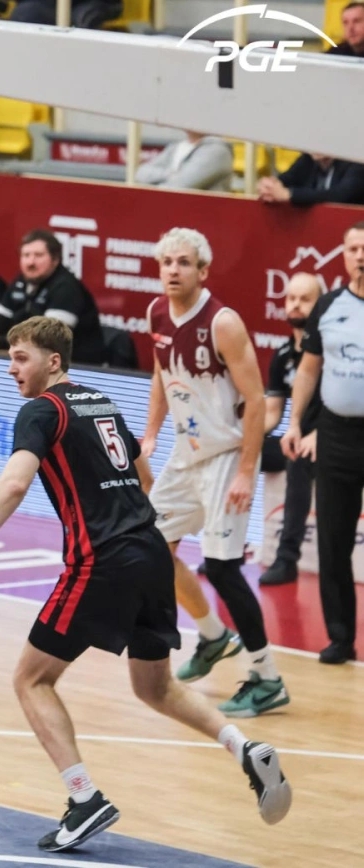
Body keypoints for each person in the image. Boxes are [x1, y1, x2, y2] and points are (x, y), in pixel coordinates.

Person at [0, 316, 292, 852]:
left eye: (21, 357)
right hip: (151, 552)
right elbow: (145, 478)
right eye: (9, 357)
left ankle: (84, 798)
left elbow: (15, 483)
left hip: (100, 560)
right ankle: (244, 748)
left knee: (31, 680)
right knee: (154, 688)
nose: (10, 368)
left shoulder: (40, 410)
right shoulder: (101, 402)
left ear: (53, 361)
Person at [140, 228, 286, 717]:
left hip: (227, 455)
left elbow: (257, 401)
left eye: (183, 262)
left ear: (203, 271)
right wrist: (151, 434)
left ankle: (267, 677)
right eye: (167, 262)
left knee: (221, 567)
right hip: (187, 453)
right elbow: (162, 375)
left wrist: (246, 471)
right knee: (151, 547)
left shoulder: (223, 323)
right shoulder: (156, 313)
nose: (173, 270)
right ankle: (212, 635)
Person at [282, 221, 364, 664]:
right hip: (337, 434)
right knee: (333, 540)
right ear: (344, 255)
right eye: (353, 248)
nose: (360, 256)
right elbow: (309, 369)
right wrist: (295, 422)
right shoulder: (329, 306)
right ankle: (340, 637)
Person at [258, 272, 322, 586]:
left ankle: (287, 558)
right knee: (240, 450)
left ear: (320, 306)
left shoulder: (331, 352)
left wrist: (318, 434)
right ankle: (226, 548)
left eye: (304, 299)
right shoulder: (282, 355)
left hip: (335, 439)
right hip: (297, 437)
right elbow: (273, 413)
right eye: (291, 298)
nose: (295, 304)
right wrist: (245, 436)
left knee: (298, 457)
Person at [0, 229, 106, 366]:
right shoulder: (21, 281)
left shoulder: (66, 287)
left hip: (76, 368)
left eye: (38, 255)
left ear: (55, 259)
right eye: (26, 255)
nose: (31, 262)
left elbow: (46, 341)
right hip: (34, 363)